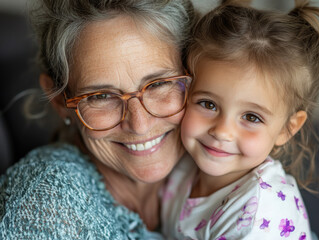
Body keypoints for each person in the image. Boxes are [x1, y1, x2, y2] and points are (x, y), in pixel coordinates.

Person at [0, 0, 195, 239]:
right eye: (101, 96)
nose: (139, 124)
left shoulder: (222, 168)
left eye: (159, 84)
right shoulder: (48, 207)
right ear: (61, 101)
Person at [161, 0, 319, 239]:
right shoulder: (182, 164)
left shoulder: (260, 214)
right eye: (208, 104)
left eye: (251, 117)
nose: (222, 131)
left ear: (287, 129)